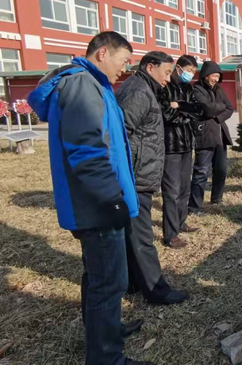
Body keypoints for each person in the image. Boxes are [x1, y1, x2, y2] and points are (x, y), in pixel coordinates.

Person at [27, 32, 154, 365]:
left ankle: (104, 330)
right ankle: (106, 357)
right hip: (96, 205)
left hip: (96, 202)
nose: (125, 70)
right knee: (109, 282)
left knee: (98, 274)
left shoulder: (95, 85)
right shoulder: (83, 85)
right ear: (102, 53)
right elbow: (87, 151)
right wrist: (112, 199)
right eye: (123, 61)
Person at [116, 51, 189, 306]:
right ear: (150, 67)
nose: (169, 78)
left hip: (140, 173)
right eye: (166, 72)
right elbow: (121, 135)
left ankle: (131, 282)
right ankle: (156, 290)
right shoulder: (138, 91)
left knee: (132, 233)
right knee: (141, 236)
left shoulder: (144, 88)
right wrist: (127, 173)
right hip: (136, 176)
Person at [160, 55, 202, 248]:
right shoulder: (165, 86)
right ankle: (170, 234)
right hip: (170, 145)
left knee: (185, 187)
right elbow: (167, 114)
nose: (191, 74)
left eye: (193, 71)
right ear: (179, 68)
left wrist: (180, 106)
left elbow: (197, 110)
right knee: (172, 191)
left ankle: (181, 222)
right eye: (189, 70)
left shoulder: (188, 88)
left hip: (186, 143)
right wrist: (185, 113)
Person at [189, 61, 234, 212]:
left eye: (218, 77)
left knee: (221, 169)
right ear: (205, 75)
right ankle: (194, 206)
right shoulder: (196, 89)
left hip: (220, 134)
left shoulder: (219, 90)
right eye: (214, 76)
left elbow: (229, 108)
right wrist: (218, 108)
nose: (216, 79)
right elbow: (207, 109)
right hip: (205, 135)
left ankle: (216, 198)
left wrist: (217, 117)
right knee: (201, 172)